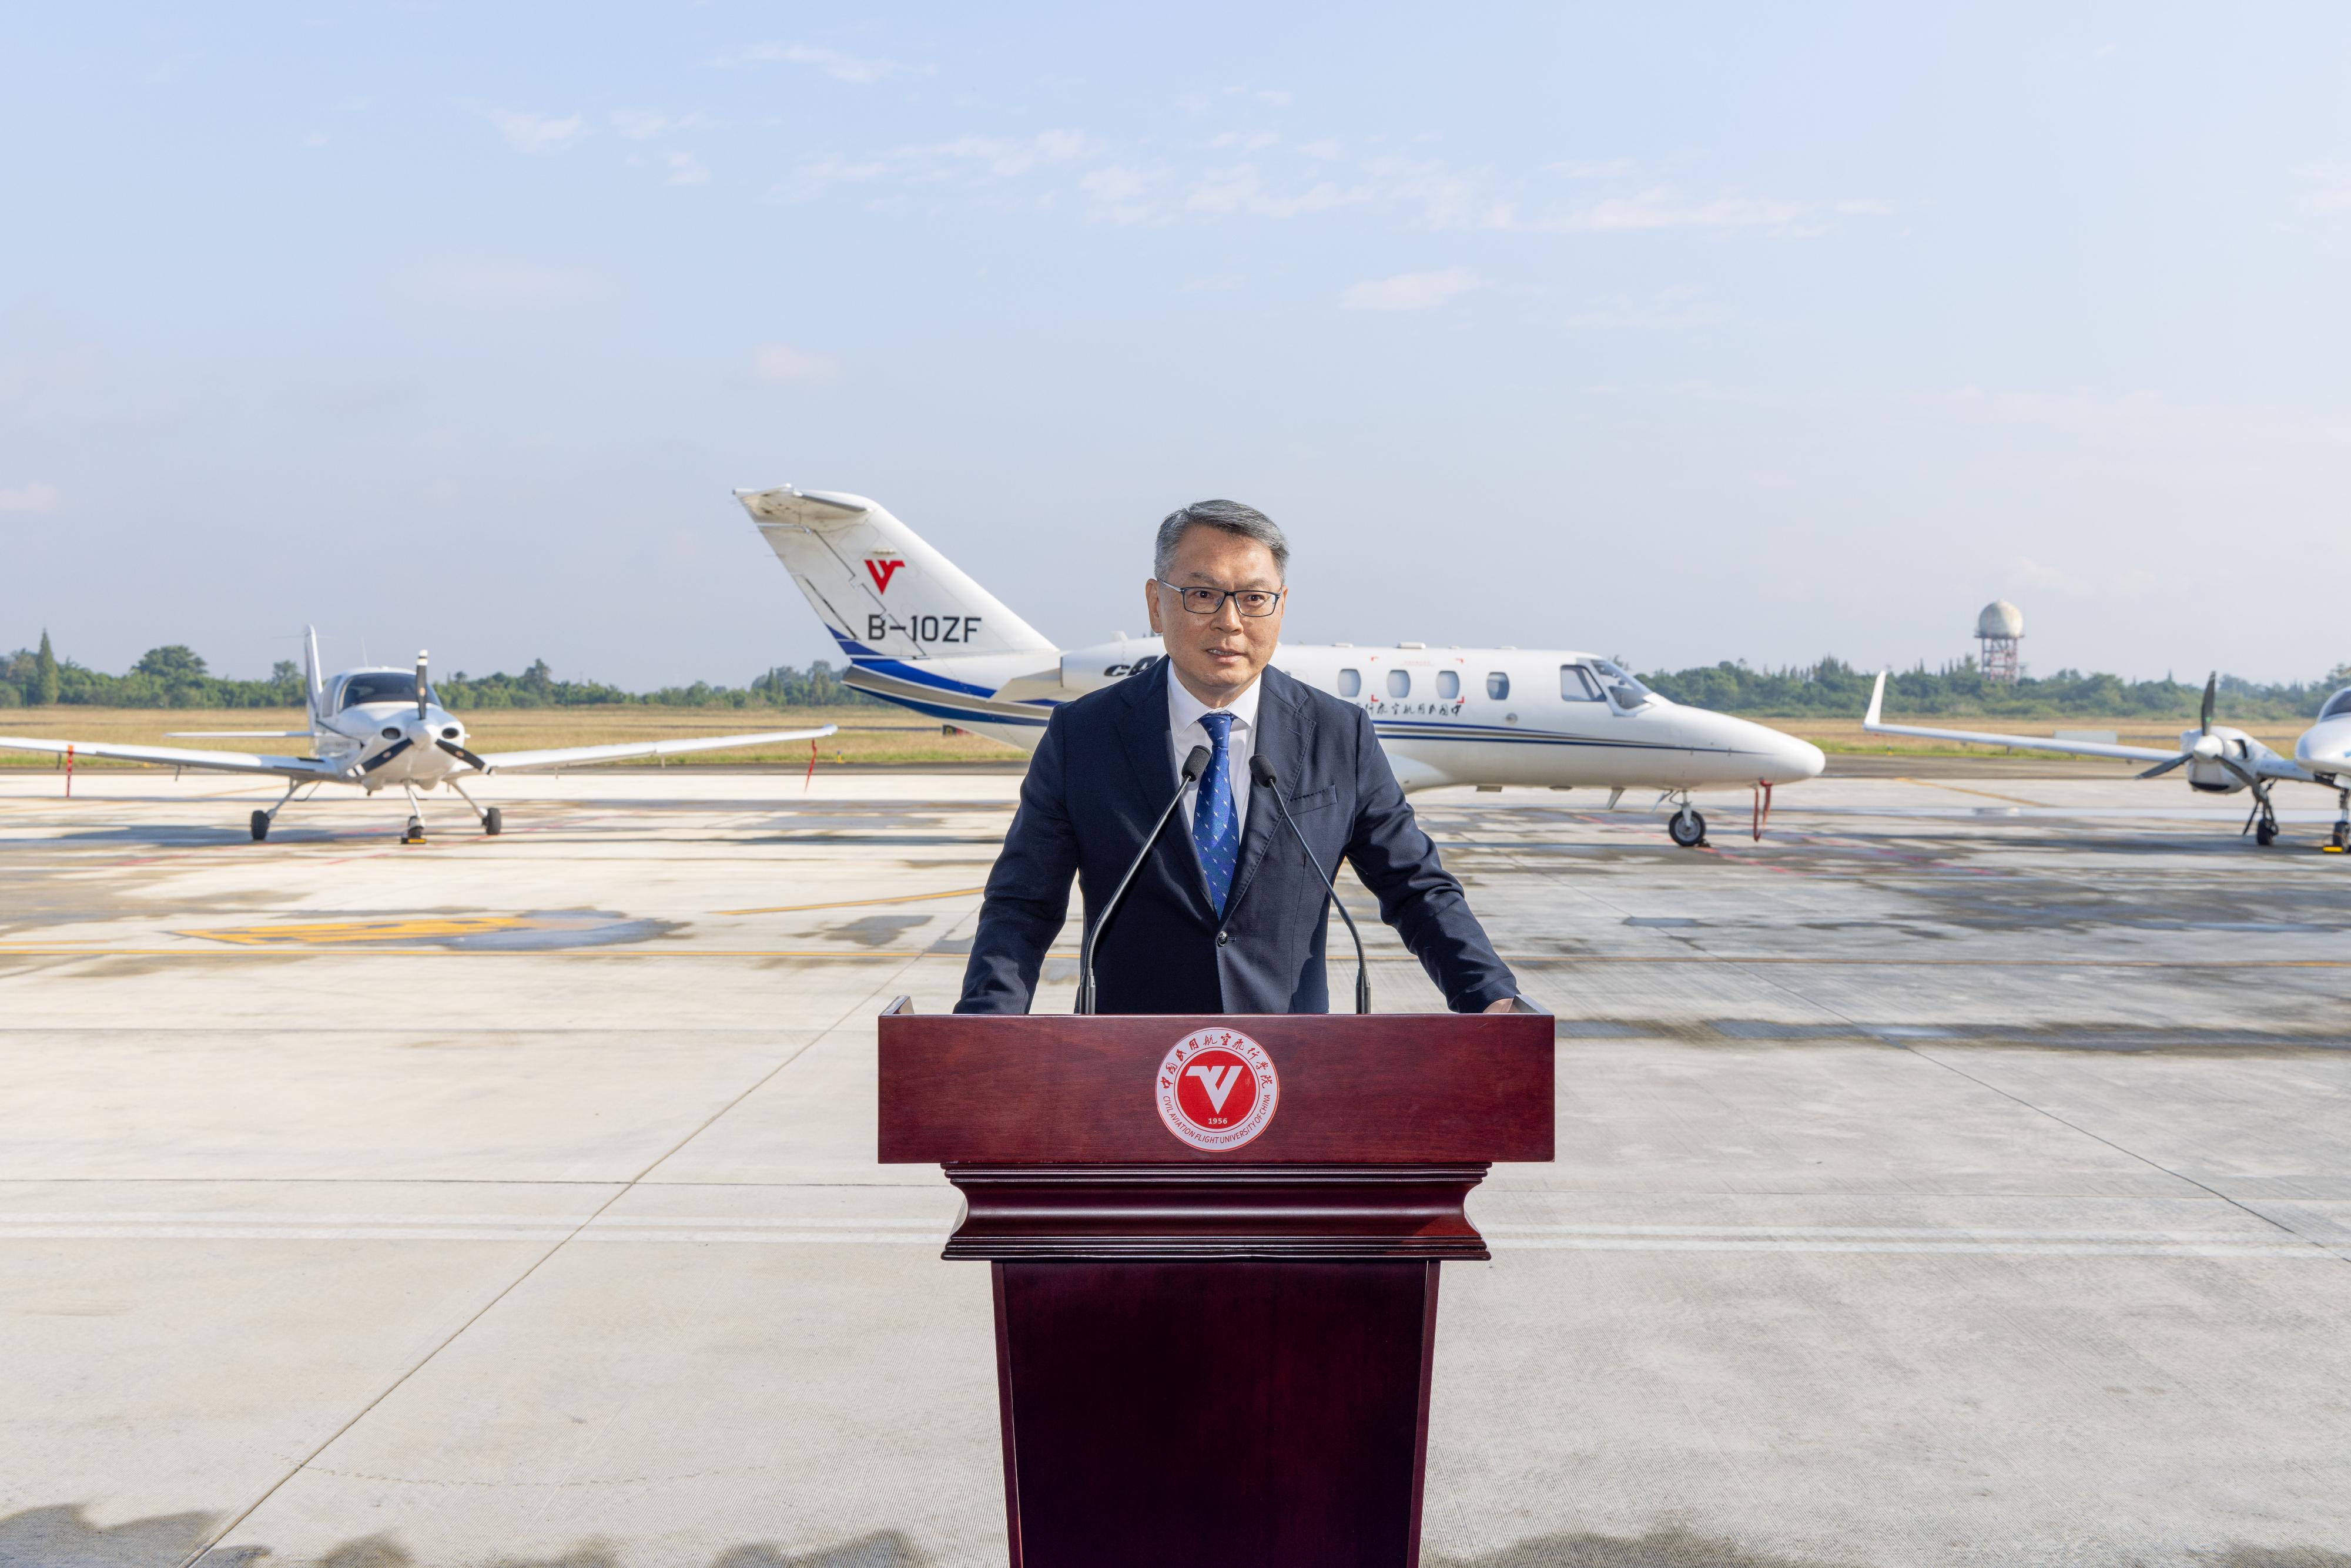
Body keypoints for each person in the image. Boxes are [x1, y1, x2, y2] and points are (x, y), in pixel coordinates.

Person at [956, 498, 1522, 1016]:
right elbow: (1021, 905)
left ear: (1281, 607)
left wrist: (1491, 998)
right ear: (1156, 605)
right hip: (1131, 1064)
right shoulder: (1083, 736)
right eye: (1202, 595)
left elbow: (1417, 889)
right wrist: (984, 1027)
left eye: (1253, 599)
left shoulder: (1339, 735)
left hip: (1288, 1063)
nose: (1230, 622)